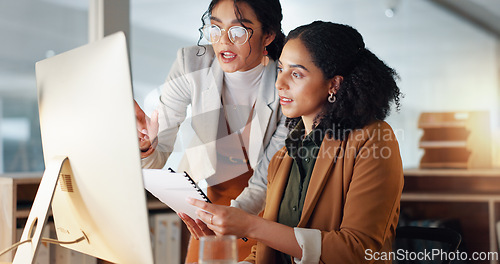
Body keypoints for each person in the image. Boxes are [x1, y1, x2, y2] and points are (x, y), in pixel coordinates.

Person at [181, 21, 404, 263]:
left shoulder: (372, 140)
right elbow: (264, 254)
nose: (280, 83)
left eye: (296, 74)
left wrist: (250, 226)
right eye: (281, 70)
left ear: (334, 84)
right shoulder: (283, 156)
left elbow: (357, 251)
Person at [134, 0, 288, 261]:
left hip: (268, 216)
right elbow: (156, 158)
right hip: (210, 212)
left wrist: (228, 221)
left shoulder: (284, 82)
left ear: (268, 35)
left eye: (238, 31)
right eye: (215, 28)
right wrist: (146, 144)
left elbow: (264, 181)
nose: (223, 41)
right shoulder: (191, 65)